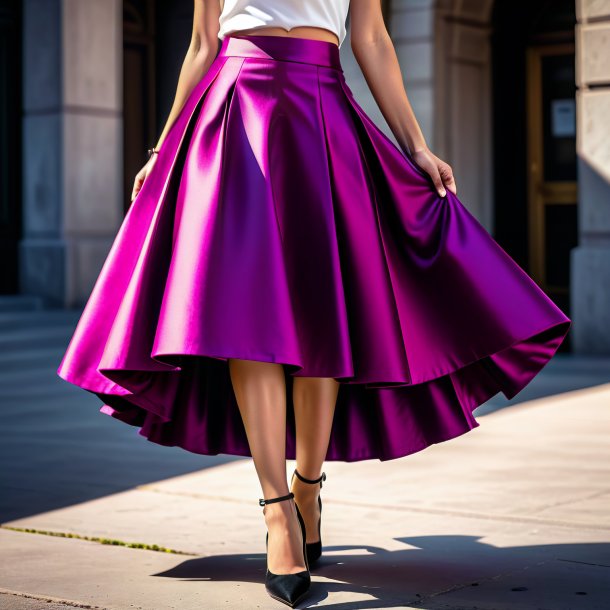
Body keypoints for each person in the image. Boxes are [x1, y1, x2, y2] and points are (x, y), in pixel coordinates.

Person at [57, 0, 571, 607]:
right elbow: (201, 44)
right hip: (234, 113)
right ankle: (278, 510)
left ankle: (307, 484)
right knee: (243, 319)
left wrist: (417, 146)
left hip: (324, 117)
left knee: (322, 315)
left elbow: (372, 38)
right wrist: (164, 145)